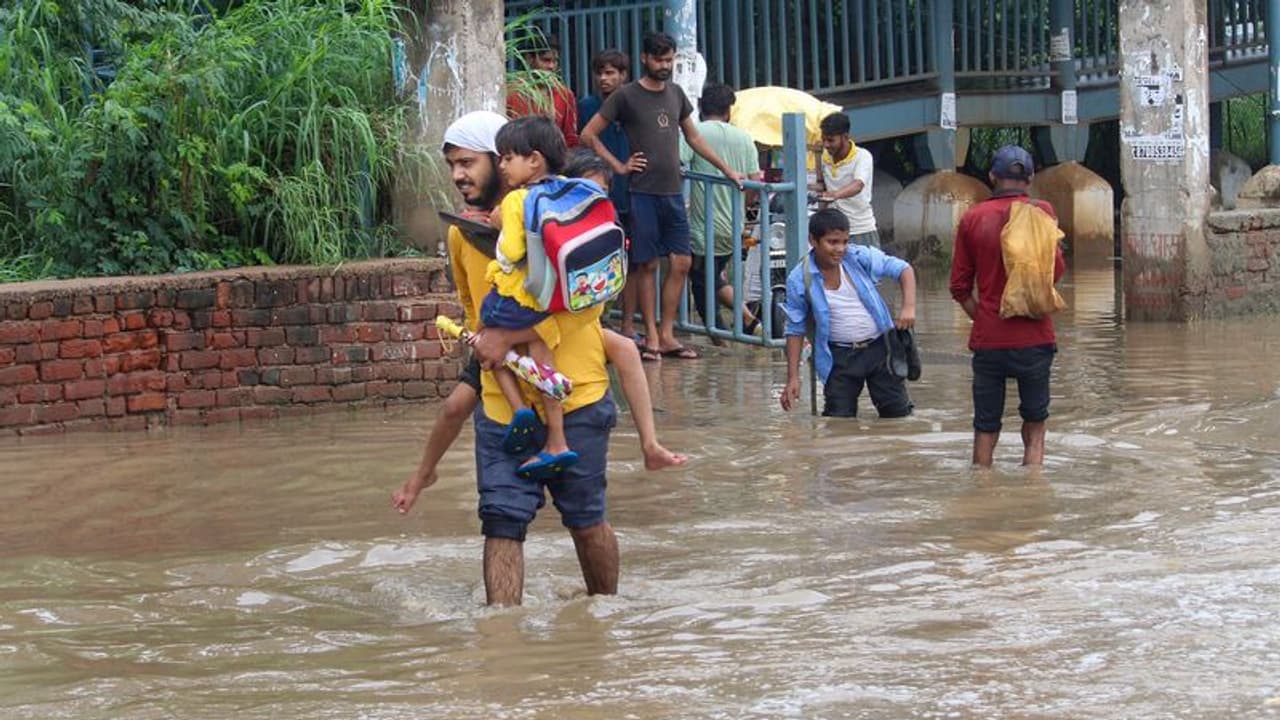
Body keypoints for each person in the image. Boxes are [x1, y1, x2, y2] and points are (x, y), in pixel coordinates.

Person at [393, 115, 684, 520]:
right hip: (501, 367)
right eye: (452, 166)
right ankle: (428, 472)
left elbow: (584, 307)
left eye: (468, 163)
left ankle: (442, 467)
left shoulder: (530, 215)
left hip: (567, 381)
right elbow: (472, 309)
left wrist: (505, 333)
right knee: (497, 509)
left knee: (587, 524)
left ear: (508, 162)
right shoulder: (467, 231)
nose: (459, 175)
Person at [581, 31, 744, 362]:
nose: (664, 65)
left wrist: (727, 169)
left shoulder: (676, 93)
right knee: (647, 265)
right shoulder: (626, 96)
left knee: (682, 262)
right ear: (644, 58)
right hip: (642, 191)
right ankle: (652, 338)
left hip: (672, 191)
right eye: (658, 59)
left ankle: (668, 334)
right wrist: (619, 166)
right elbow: (588, 134)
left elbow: (694, 137)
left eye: (669, 59)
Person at [949, 145, 1065, 467]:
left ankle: (982, 494)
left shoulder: (973, 218)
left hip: (989, 341)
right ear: (1029, 179)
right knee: (1036, 424)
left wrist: (985, 319)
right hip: (1035, 338)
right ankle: (1032, 495)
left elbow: (958, 286)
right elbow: (1054, 272)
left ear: (991, 177)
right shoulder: (1042, 212)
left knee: (985, 425)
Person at [780, 209, 916, 418]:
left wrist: (909, 307)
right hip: (838, 357)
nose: (840, 249)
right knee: (838, 422)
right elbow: (795, 329)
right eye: (832, 242)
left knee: (898, 417)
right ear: (813, 241)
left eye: (844, 241)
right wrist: (793, 377)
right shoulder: (799, 279)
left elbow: (904, 270)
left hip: (880, 349)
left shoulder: (858, 256)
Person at [679, 83, 763, 335]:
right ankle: (749, 321)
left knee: (702, 283)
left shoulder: (694, 133)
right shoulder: (744, 138)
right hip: (733, 225)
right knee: (713, 278)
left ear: (701, 108)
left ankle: (721, 338)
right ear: (728, 111)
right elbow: (754, 182)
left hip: (703, 226)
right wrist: (743, 207)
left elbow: (678, 163)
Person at [577, 50, 632, 231]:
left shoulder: (634, 104)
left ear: (623, 75)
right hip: (598, 181)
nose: (603, 78)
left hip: (631, 184)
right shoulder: (586, 106)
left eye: (609, 73)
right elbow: (581, 143)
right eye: (599, 73)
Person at [815, 112, 880, 248]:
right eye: (824, 140)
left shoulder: (862, 156)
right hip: (834, 230)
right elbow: (822, 186)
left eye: (831, 140)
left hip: (860, 228)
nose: (826, 145)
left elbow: (858, 185)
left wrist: (835, 195)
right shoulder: (824, 156)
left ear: (845, 137)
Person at [506, 33, 579, 147]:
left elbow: (570, 138)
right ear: (530, 59)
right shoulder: (512, 92)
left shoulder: (564, 94)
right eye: (546, 60)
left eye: (555, 61)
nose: (551, 66)